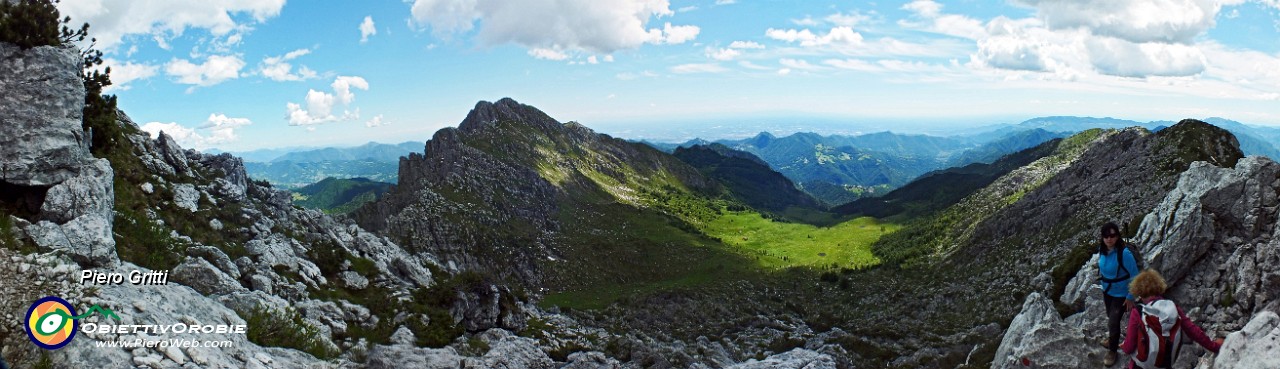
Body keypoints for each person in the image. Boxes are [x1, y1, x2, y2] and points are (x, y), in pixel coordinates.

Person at [1121, 269, 1223, 368]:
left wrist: (1123, 346)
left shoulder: (1138, 312)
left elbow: (1129, 348)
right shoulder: (1172, 308)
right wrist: (1215, 346)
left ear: (1139, 292)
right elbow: (1194, 331)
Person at [1098, 222, 1139, 366]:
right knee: (1111, 318)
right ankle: (1112, 339)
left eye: (1112, 235)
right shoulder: (1102, 250)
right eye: (1106, 236)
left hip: (1121, 294)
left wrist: (1130, 296)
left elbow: (1135, 275)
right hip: (1107, 291)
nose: (1109, 239)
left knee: (1113, 321)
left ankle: (1112, 350)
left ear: (1117, 236)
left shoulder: (1124, 254)